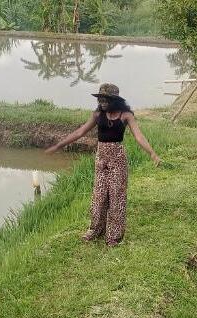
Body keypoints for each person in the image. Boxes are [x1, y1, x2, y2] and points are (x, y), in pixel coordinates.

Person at [45, 83, 161, 247]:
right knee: (99, 196)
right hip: (101, 161)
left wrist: (152, 153)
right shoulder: (97, 114)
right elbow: (80, 132)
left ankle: (114, 236)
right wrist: (58, 145)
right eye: (100, 99)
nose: (102, 102)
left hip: (118, 160)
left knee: (116, 197)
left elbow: (139, 136)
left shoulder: (126, 115)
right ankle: (95, 230)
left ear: (116, 100)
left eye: (106, 99)